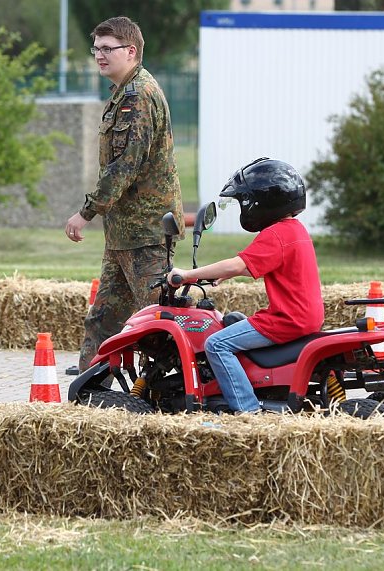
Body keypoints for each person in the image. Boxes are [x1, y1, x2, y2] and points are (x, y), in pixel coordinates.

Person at [65, 16, 184, 372]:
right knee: (103, 318)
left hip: (146, 232)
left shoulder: (139, 96)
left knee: (160, 320)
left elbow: (124, 166)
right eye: (96, 49)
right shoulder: (123, 93)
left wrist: (86, 212)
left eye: (107, 48)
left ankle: (186, 387)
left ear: (131, 51)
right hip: (124, 232)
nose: (99, 56)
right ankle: (89, 389)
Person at [168, 158, 324, 414]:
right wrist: (224, 276)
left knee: (216, 344)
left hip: (287, 320)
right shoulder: (295, 230)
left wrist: (186, 275)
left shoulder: (275, 234)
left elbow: (237, 264)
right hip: (305, 317)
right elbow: (252, 265)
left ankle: (248, 411)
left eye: (244, 201)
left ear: (261, 202)